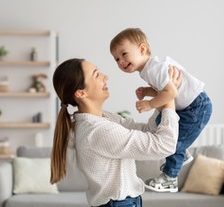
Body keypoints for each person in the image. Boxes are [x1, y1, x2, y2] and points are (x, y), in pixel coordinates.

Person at [50, 58, 182, 207]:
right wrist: (169, 99)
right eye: (96, 74)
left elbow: (147, 131)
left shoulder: (104, 119)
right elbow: (165, 146)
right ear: (81, 93)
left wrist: (161, 100)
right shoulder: (97, 131)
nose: (105, 76)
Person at [110, 28, 213, 193]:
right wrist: (147, 91)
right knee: (160, 123)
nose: (121, 61)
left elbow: (171, 93)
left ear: (142, 49)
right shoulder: (148, 70)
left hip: (196, 107)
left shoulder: (153, 69)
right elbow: (164, 90)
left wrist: (149, 104)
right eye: (116, 59)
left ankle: (170, 177)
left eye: (124, 54)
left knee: (170, 142)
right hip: (187, 106)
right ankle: (182, 153)